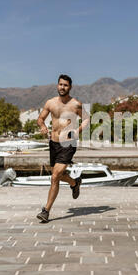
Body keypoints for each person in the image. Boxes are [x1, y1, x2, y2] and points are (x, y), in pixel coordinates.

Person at [35, 74, 90, 223]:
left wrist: (77, 131)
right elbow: (40, 119)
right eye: (60, 84)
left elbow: (86, 119)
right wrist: (42, 126)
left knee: (55, 176)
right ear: (57, 85)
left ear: (70, 87)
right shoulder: (50, 103)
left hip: (68, 143)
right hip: (54, 143)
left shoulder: (75, 104)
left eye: (65, 85)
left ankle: (46, 211)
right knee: (57, 175)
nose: (62, 87)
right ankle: (74, 183)